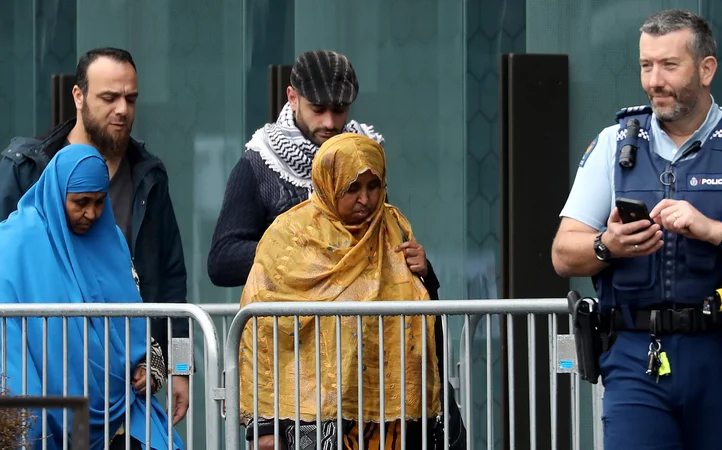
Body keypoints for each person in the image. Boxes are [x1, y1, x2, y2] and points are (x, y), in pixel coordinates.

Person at [551, 10, 722, 450]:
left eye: (669, 65)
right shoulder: (613, 143)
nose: (654, 81)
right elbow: (563, 254)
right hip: (636, 357)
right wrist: (609, 245)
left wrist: (715, 230)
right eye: (646, 65)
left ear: (706, 69)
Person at [0, 47, 190, 423]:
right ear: (78, 96)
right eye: (109, 97)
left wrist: (177, 365)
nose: (122, 109)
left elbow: (171, 283)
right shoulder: (28, 170)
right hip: (40, 383)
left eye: (130, 98)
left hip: (123, 386)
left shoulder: (149, 176)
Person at [239, 133, 447, 450]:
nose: (365, 199)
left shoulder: (394, 226)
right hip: (310, 416)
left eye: (373, 186)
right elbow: (260, 330)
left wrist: (426, 273)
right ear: (328, 183)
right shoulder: (290, 234)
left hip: (389, 417)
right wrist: (265, 427)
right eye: (352, 188)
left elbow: (420, 311)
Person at [207, 49, 439, 295]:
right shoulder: (260, 162)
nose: (329, 122)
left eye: (339, 110)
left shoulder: (363, 155)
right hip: (288, 327)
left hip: (360, 326)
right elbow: (222, 261)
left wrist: (423, 268)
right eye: (318, 109)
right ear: (293, 98)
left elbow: (385, 246)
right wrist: (304, 253)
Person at [0, 144, 182, 450]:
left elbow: (137, 326)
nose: (91, 214)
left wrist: (152, 370)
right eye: (80, 202)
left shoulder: (111, 243)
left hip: (121, 414)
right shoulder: (13, 244)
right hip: (44, 414)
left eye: (100, 202)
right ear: (57, 196)